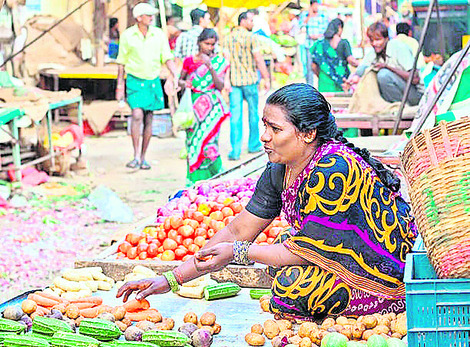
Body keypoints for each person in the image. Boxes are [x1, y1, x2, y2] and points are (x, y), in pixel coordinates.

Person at [117, 83, 417, 320]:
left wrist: (239, 253)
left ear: (309, 133)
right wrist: (170, 279)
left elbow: (295, 253)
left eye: (275, 129)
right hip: (335, 257)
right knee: (283, 252)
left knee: (290, 287)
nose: (264, 137)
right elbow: (237, 231)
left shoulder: (333, 170)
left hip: (384, 274)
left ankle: (386, 303)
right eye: (265, 126)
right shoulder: (281, 168)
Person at [116, 3, 178, 170]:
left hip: (152, 80)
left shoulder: (158, 34)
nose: (151, 17)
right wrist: (119, 86)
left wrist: (175, 74)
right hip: (134, 80)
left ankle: (143, 157)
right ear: (139, 18)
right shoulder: (128, 36)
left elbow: (167, 57)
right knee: (137, 115)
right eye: (148, 15)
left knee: (149, 117)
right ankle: (135, 155)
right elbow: (121, 62)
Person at [178, 28, 230, 184]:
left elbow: (220, 86)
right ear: (199, 43)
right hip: (194, 107)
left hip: (212, 108)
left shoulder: (219, 62)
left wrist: (210, 67)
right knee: (193, 142)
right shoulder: (189, 61)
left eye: (213, 44)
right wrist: (185, 83)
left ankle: (214, 177)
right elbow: (180, 80)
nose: (210, 47)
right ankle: (195, 179)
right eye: (207, 44)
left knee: (210, 143)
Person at [222, 11, 270, 161]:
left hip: (234, 82)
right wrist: (266, 77)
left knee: (235, 116)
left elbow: (225, 62)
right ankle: (253, 144)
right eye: (250, 20)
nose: (252, 23)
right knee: (253, 113)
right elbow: (258, 59)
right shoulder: (252, 38)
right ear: (242, 21)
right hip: (249, 81)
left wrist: (226, 80)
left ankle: (235, 151)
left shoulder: (227, 38)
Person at [343, 22, 423, 105]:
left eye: (378, 40)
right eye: (372, 40)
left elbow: (415, 79)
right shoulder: (373, 54)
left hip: (414, 94)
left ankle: (400, 107)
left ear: (386, 38)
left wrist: (388, 67)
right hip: (397, 93)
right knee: (365, 71)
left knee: (383, 75)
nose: (374, 44)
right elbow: (361, 69)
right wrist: (352, 80)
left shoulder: (398, 47)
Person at [311, 18, 359, 92]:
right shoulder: (344, 43)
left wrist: (322, 74)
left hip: (324, 82)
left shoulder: (320, 45)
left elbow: (313, 66)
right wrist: (362, 65)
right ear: (339, 27)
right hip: (342, 83)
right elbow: (351, 60)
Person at [299, 0, 329, 86]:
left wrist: (319, 36)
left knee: (321, 65)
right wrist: (309, 16)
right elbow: (301, 27)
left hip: (320, 45)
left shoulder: (323, 15)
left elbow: (326, 29)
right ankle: (309, 86)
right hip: (309, 44)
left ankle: (323, 83)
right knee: (309, 67)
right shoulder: (305, 15)